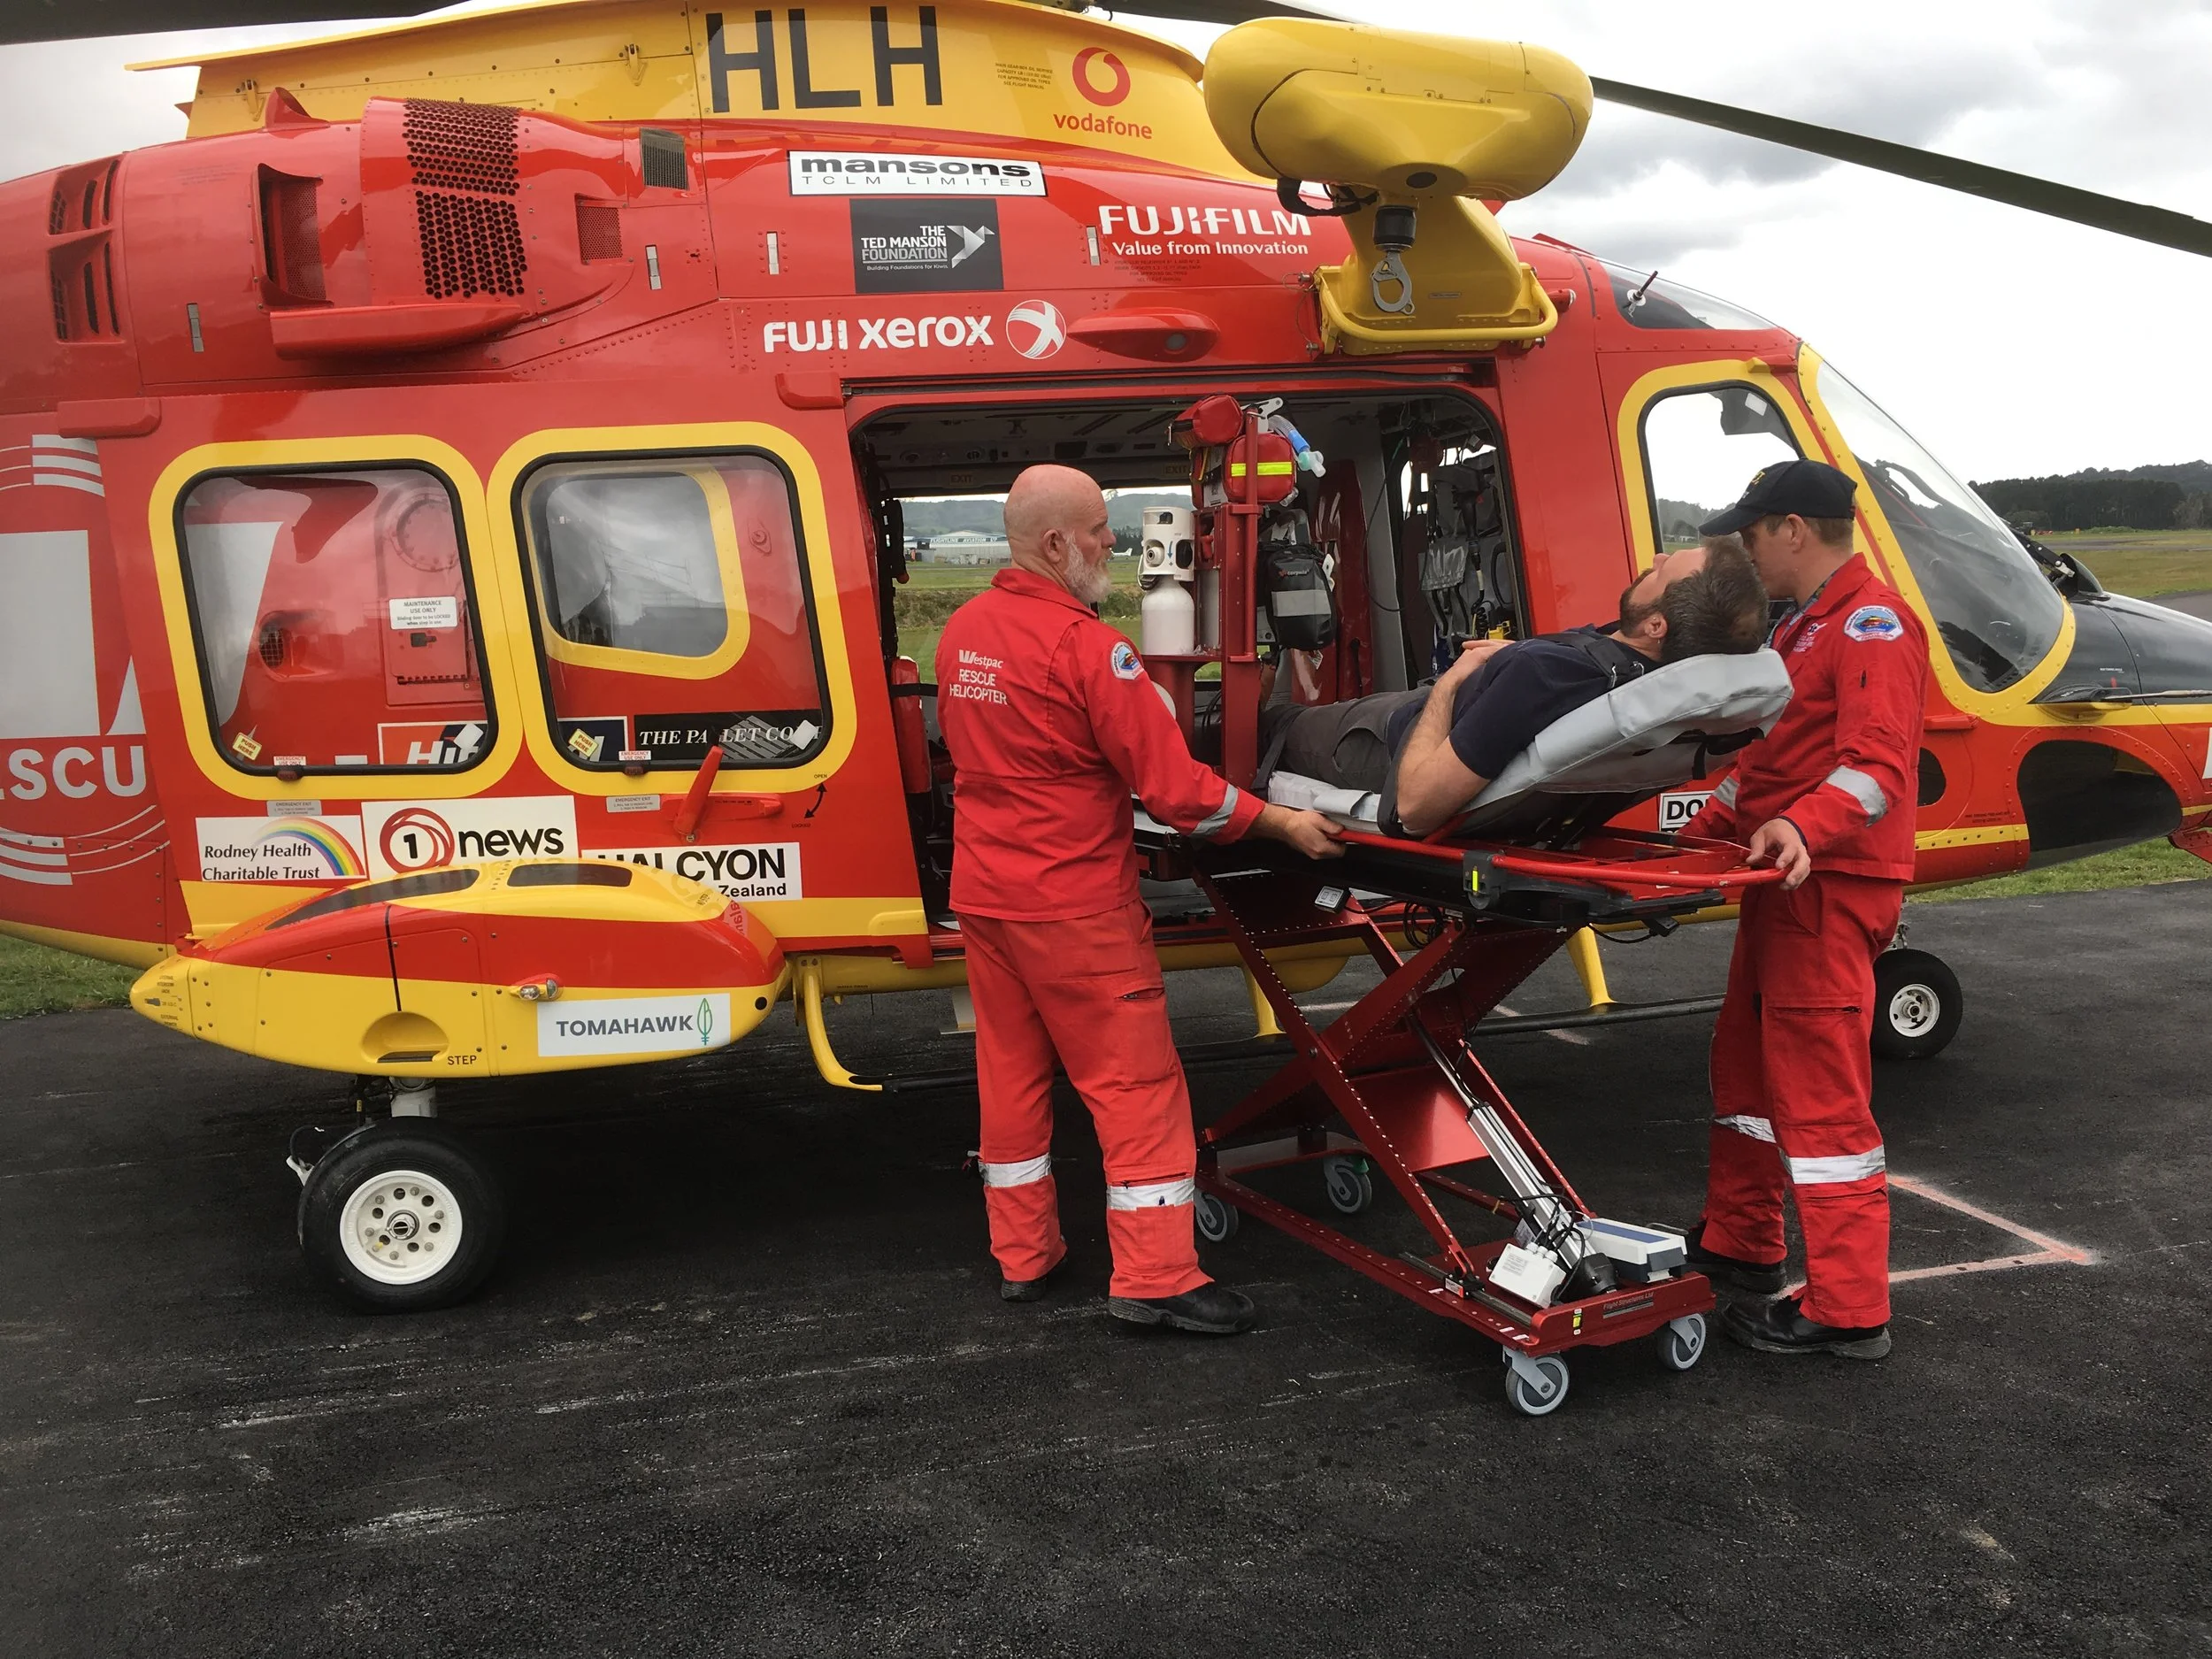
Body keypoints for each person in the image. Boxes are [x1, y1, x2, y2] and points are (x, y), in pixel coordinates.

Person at [935, 464, 1345, 1337]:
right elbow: (1176, 793)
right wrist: (1277, 821)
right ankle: (1156, 1277)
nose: (1110, 546)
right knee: (1135, 1087)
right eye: (1095, 532)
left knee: (1009, 1080)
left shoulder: (964, 631)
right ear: (1055, 545)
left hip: (988, 897)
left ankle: (1024, 1257)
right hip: (1073, 909)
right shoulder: (1090, 649)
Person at [1677, 458, 1929, 1361]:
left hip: (1824, 886)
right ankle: (1741, 1240)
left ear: (1793, 530)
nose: (1743, 551)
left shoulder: (1869, 625)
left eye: (1751, 534)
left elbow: (1877, 767)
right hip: (1778, 883)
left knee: (1820, 1103)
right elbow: (1770, 758)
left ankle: (1849, 1310)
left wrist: (1800, 827)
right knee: (1744, 1072)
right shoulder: (1799, 634)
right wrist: (1703, 823)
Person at [1257, 536, 1770, 834]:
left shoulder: (1543, 675)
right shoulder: (1651, 684)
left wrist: (1451, 683)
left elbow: (1413, 809)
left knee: (1267, 727)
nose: (1654, 560)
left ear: (1657, 626)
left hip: (1380, 743)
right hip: (1429, 729)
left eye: (1665, 572)